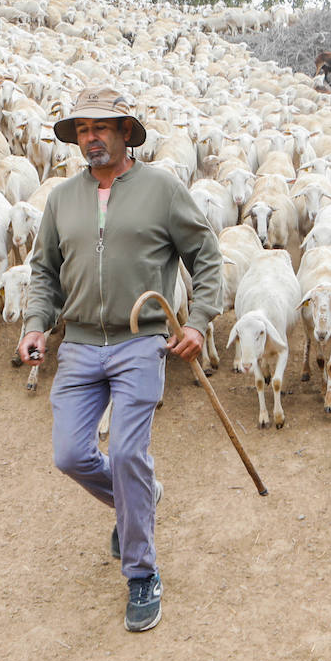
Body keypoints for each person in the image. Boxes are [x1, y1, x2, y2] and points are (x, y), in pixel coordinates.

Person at [17, 85, 222, 632]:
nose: (91, 138)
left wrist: (198, 322)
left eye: (101, 128)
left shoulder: (160, 189)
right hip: (81, 344)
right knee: (69, 455)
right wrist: (36, 324)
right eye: (83, 130)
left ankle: (141, 575)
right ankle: (141, 498)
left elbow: (206, 257)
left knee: (128, 452)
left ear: (125, 133)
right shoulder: (62, 198)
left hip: (140, 341)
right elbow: (43, 271)